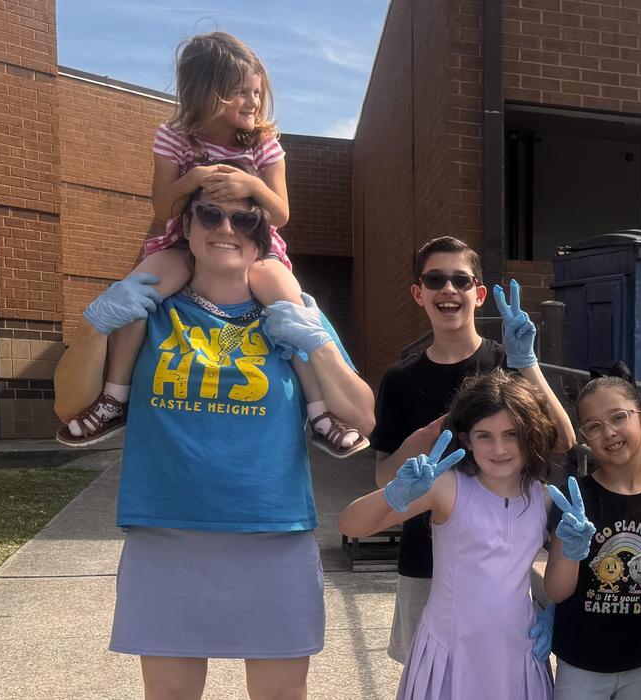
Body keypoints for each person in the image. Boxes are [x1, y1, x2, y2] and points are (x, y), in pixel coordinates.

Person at [85, 163, 374, 699]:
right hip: (167, 531)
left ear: (262, 237)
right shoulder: (149, 308)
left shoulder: (287, 309)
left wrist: (315, 342)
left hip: (273, 533)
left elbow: (363, 416)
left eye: (245, 221)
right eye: (211, 215)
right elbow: (70, 399)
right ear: (187, 226)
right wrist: (94, 323)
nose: (226, 229)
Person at [61, 32, 364, 458]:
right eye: (241, 92)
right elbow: (164, 207)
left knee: (292, 312)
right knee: (136, 295)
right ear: (207, 90)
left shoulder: (263, 143)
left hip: (256, 246)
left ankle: (318, 412)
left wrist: (250, 184)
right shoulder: (174, 138)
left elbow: (280, 215)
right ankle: (115, 395)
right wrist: (194, 179)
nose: (254, 102)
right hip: (184, 241)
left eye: (258, 92)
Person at [367, 235, 574, 664]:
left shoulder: (508, 364)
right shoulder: (400, 380)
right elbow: (382, 479)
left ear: (478, 294)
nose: (448, 290)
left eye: (460, 281)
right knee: (429, 677)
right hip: (425, 559)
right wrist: (416, 443)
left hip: (504, 559)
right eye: (435, 279)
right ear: (418, 293)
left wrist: (527, 363)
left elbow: (564, 439)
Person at [338, 371, 567, 699]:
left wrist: (555, 615)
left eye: (511, 434)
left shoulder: (544, 498)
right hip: (450, 652)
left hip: (519, 651)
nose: (499, 447)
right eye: (484, 435)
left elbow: (564, 577)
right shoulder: (447, 487)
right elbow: (350, 525)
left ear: (530, 434)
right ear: (465, 439)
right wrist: (391, 495)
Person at [543, 372, 641, 699]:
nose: (609, 432)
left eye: (618, 417)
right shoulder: (576, 501)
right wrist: (572, 553)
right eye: (594, 426)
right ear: (585, 436)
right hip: (581, 662)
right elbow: (556, 591)